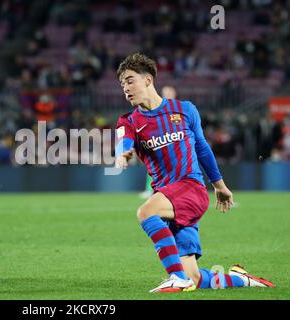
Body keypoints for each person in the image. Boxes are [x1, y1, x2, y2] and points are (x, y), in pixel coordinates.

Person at [115, 52, 274, 292]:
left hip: (191, 189)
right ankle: (241, 278)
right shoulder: (128, 121)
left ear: (148, 80)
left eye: (129, 80)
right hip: (169, 199)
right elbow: (122, 140)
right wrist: (123, 153)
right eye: (122, 84)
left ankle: (176, 278)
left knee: (146, 212)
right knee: (196, 278)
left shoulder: (185, 110)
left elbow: (202, 148)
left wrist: (219, 185)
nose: (125, 87)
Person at [139, 85, 178, 200]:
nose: (167, 95)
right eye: (165, 93)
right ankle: (150, 190)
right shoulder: (158, 107)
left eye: (169, 92)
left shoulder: (178, 108)